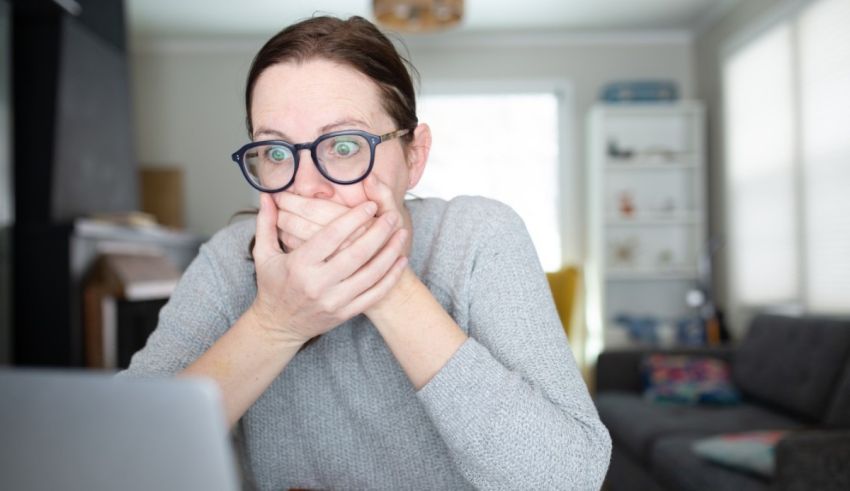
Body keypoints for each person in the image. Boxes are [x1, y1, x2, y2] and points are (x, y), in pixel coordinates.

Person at [122, 15, 611, 490]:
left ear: (413, 156)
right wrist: (276, 324)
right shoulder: (230, 261)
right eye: (275, 153)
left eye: (344, 146)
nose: (309, 187)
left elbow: (567, 476)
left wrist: (387, 285)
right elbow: (122, 459)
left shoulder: (479, 238)